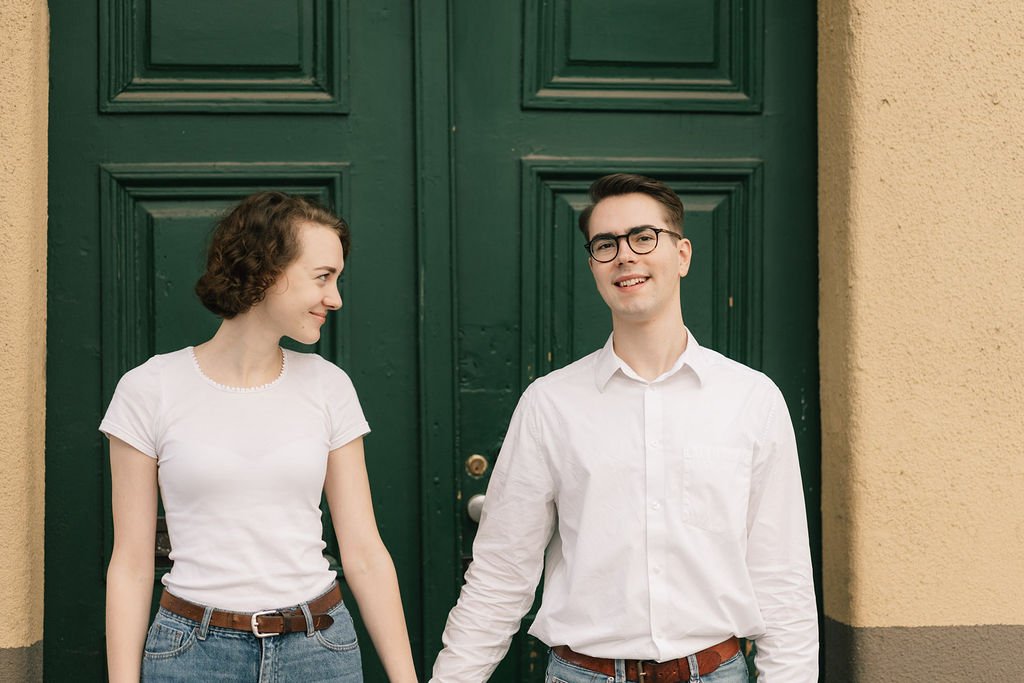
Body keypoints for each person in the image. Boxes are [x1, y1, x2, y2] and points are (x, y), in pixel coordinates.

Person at [430, 174, 818, 682]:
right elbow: (501, 573)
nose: (625, 256)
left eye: (643, 237)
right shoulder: (551, 404)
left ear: (682, 254)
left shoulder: (751, 399)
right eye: (605, 245)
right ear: (593, 265)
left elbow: (781, 578)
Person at [101, 191, 418, 682]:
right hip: (191, 652)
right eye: (323, 277)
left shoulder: (328, 386)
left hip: (319, 649)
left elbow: (365, 553)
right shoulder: (150, 388)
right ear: (267, 270)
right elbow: (130, 564)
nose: (335, 298)